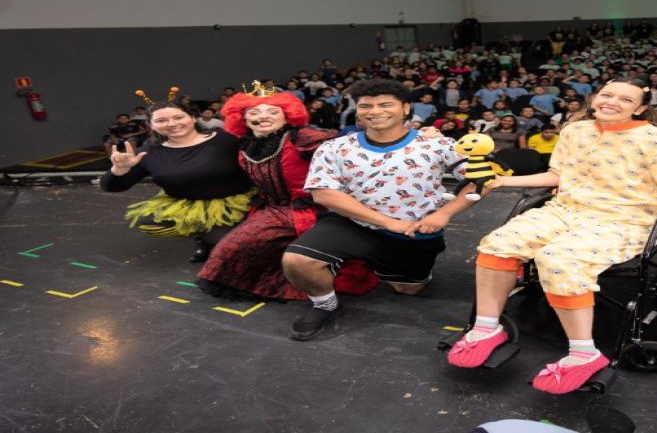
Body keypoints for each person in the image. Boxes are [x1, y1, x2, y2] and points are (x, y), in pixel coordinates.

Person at [446, 77, 657, 395]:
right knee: (498, 244)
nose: (612, 102)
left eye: (625, 99)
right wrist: (503, 182)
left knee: (559, 259)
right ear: (595, 97)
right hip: (565, 210)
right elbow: (558, 175)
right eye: (608, 94)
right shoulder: (575, 130)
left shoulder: (656, 140)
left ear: (640, 109)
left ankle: (584, 354)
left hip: (625, 219)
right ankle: (486, 328)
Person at [280, 79, 471, 341]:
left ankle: (380, 267)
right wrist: (387, 221)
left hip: (412, 233)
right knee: (297, 261)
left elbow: (481, 180)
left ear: (405, 108)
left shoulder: (438, 144)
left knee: (408, 290)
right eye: (366, 106)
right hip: (353, 225)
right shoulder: (335, 147)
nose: (375, 111)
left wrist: (444, 213)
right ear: (357, 110)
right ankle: (325, 305)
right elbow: (323, 193)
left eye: (385, 104)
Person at [195, 82, 378, 301]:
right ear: (243, 118)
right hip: (271, 211)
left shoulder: (302, 138)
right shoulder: (244, 145)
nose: (264, 117)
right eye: (254, 112)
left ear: (287, 116)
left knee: (320, 259)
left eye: (273, 112)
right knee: (230, 250)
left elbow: (351, 150)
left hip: (314, 211)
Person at [100, 88, 254, 263]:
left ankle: (213, 237)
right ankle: (201, 234)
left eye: (178, 117)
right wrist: (119, 170)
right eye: (161, 120)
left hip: (235, 202)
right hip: (185, 203)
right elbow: (112, 187)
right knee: (149, 222)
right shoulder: (148, 153)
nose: (172, 124)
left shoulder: (227, 139)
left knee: (231, 247)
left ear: (193, 117)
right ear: (151, 125)